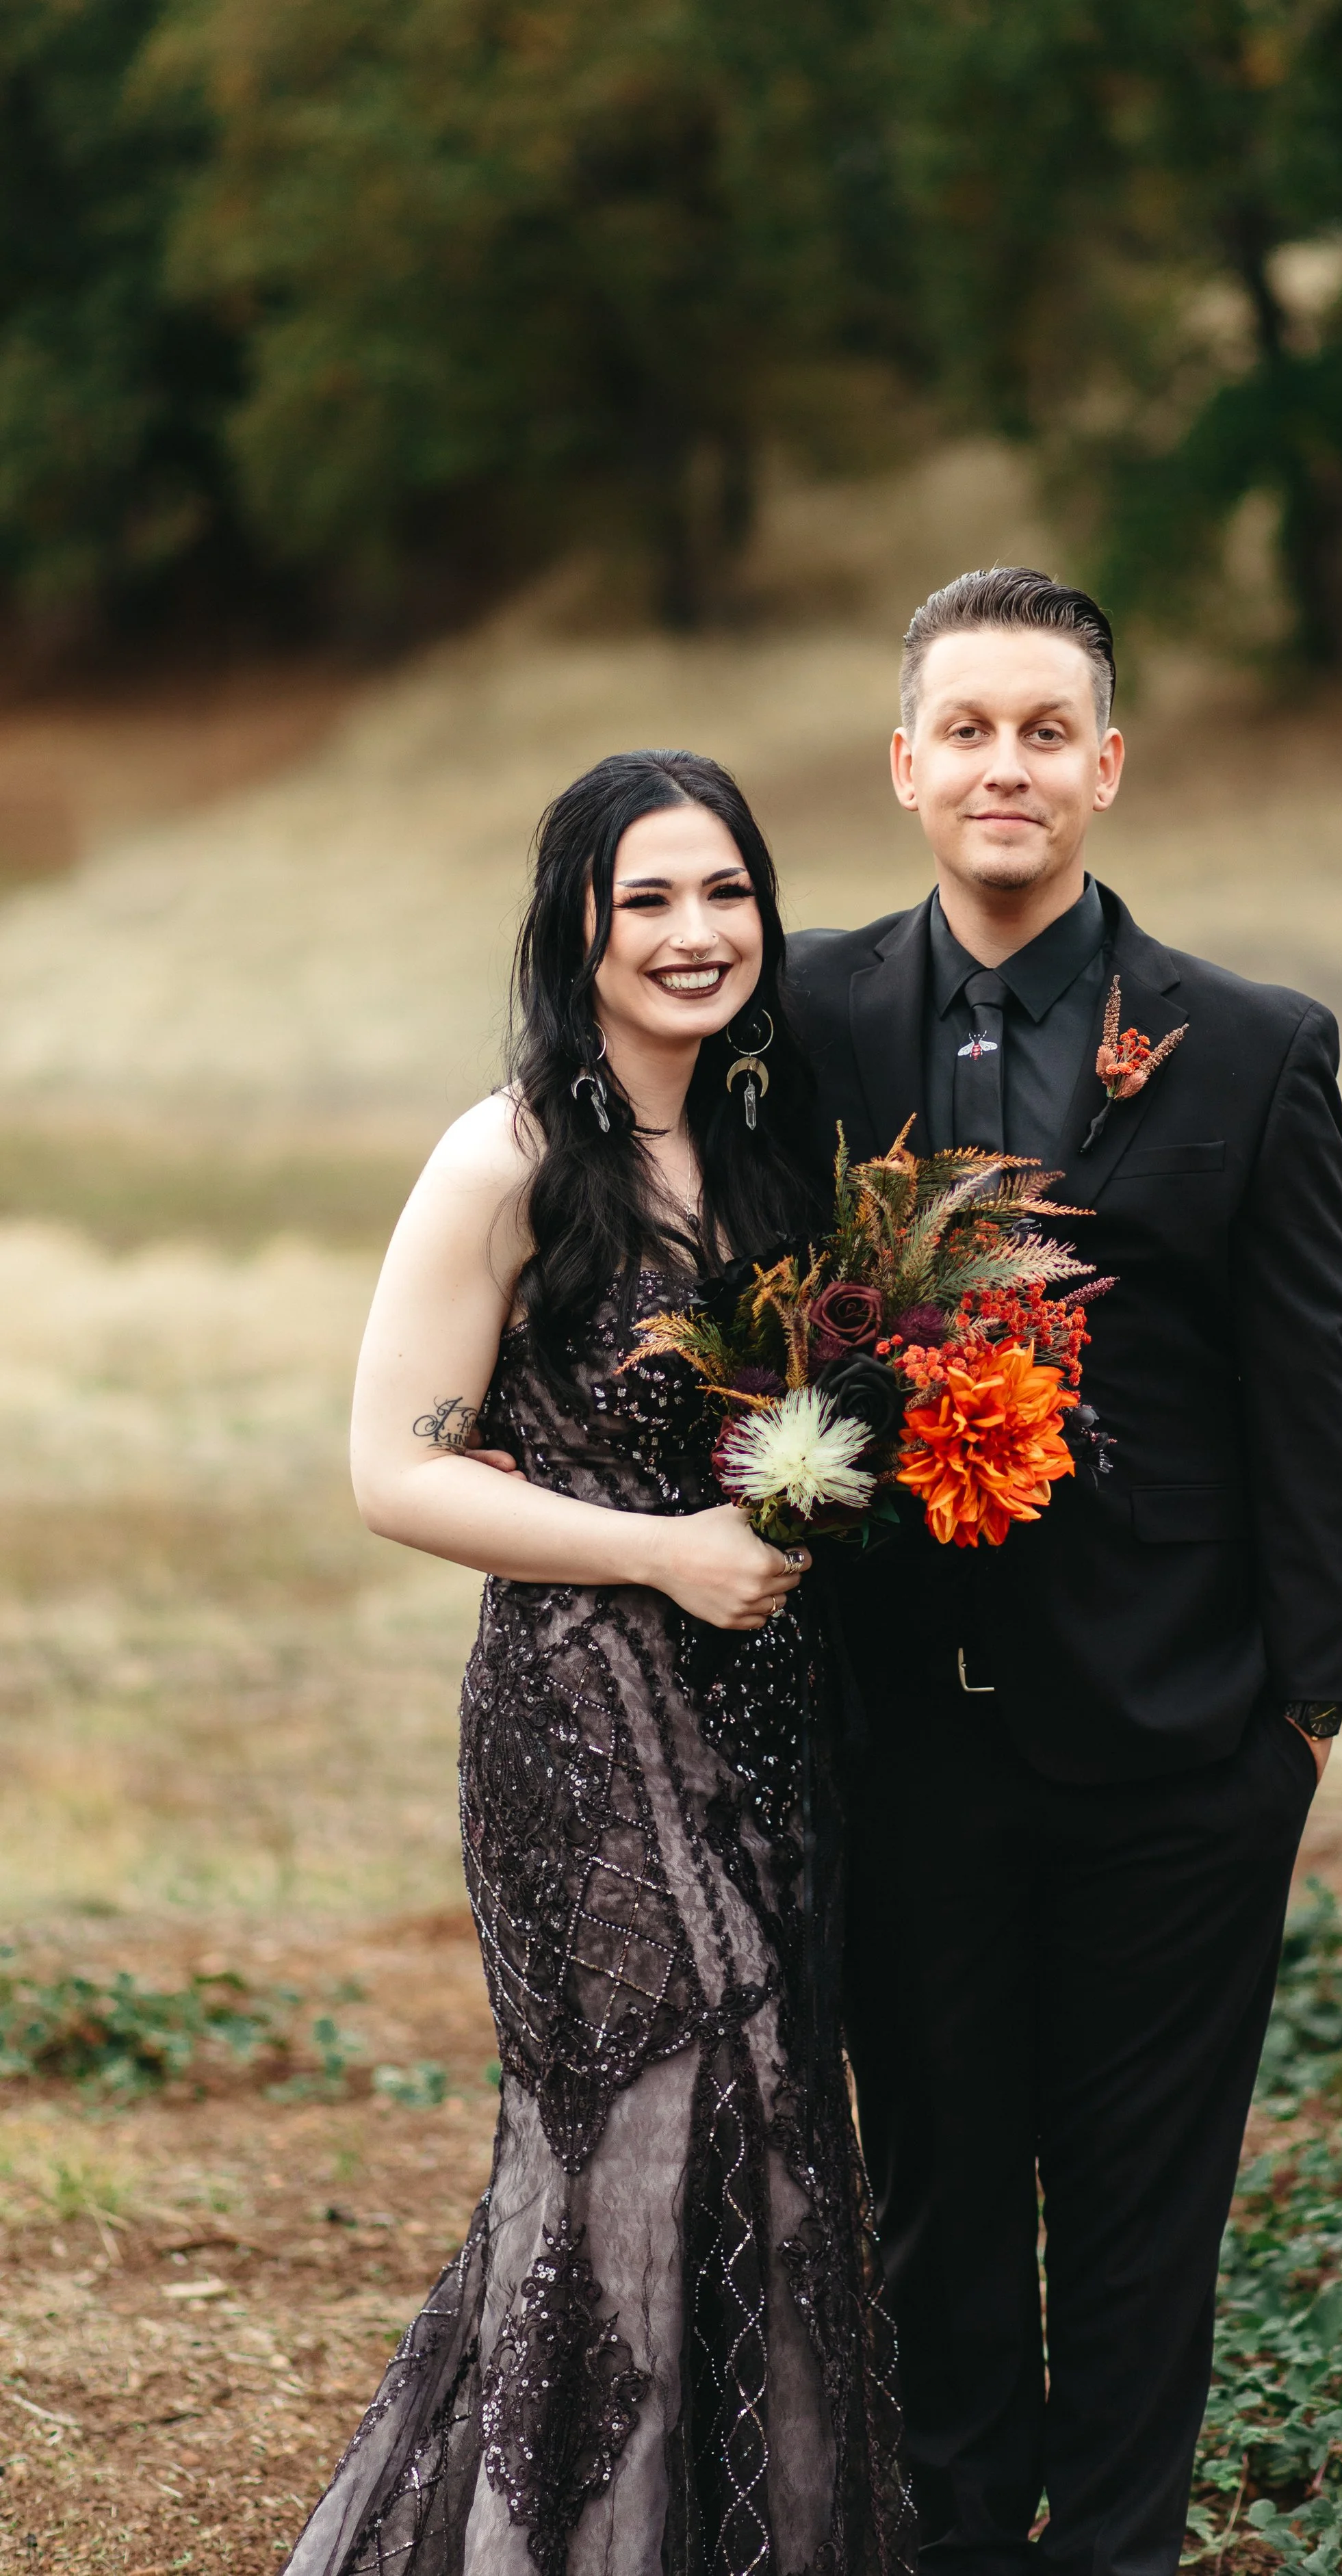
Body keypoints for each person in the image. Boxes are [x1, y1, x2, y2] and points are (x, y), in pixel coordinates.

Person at [788, 569, 1342, 2576]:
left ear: (1107, 766)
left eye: (1045, 730)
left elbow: (1308, 1389)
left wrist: (1300, 1715)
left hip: (1177, 1750)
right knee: (939, 2189)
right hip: (895, 1733)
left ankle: (1116, 2548)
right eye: (966, 729)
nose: (1005, 766)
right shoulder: (804, 1013)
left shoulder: (1248, 1047)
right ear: (903, 766)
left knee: (1140, 2200)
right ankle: (954, 2540)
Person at [283, 751, 914, 2576]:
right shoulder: (507, 1156)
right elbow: (392, 1471)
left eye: (725, 893)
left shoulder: (773, 1154)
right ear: (577, 922)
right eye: (649, 898)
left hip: (772, 1720)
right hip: (577, 1715)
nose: (695, 932)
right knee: (644, 2127)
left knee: (776, 2123)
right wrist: (666, 1552)